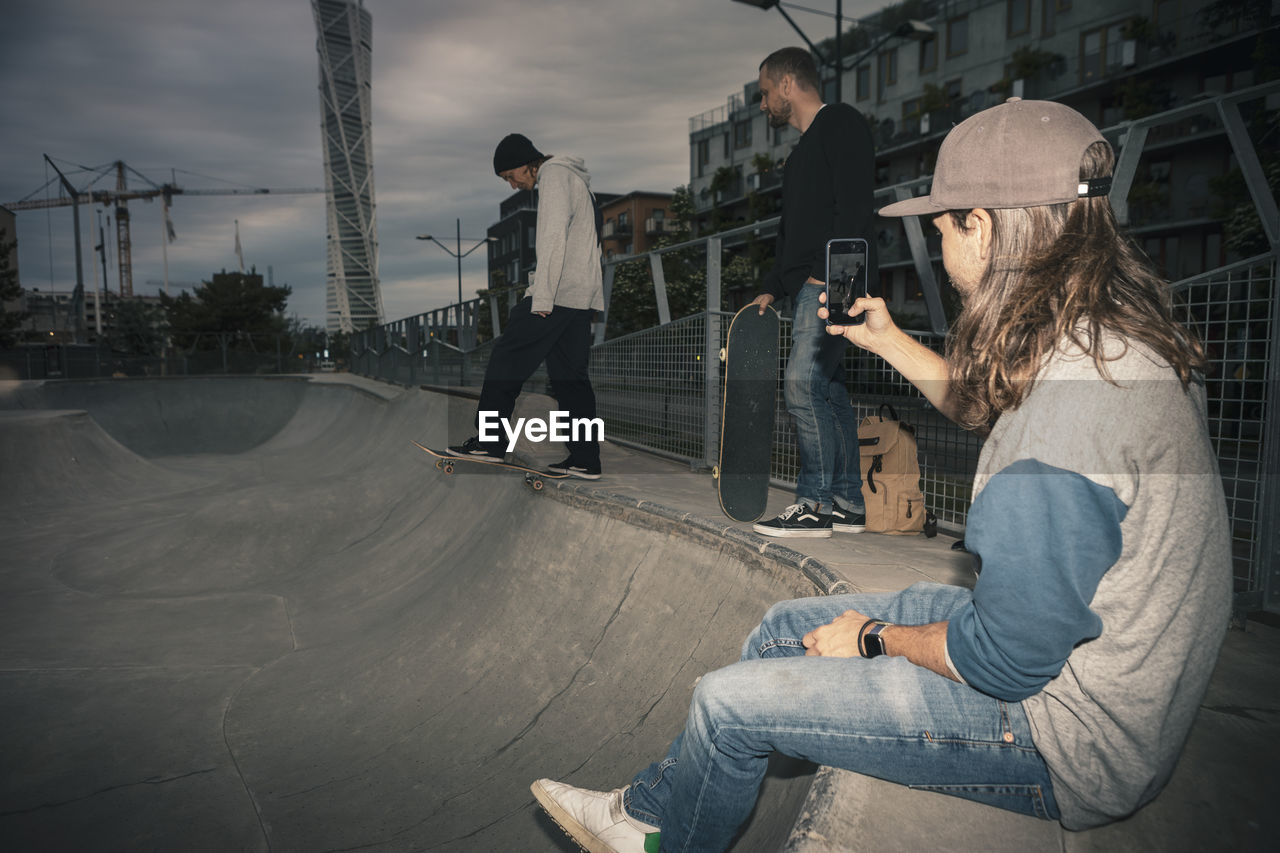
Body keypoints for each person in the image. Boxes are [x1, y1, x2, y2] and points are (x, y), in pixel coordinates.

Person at [530, 99, 1231, 853]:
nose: (930, 234)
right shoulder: (1105, 337)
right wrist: (886, 338)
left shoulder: (1063, 420)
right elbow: (982, 403)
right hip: (1106, 669)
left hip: (1068, 737)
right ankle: (648, 812)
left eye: (942, 219)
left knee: (725, 705)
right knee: (782, 625)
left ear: (985, 225)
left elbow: (1005, 661)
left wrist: (874, 638)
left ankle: (655, 841)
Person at [748, 47, 876, 539]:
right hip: (814, 282)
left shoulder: (839, 122)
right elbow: (793, 233)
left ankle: (814, 505)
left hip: (836, 280)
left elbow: (856, 206)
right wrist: (772, 287)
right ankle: (846, 501)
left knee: (801, 386)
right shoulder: (800, 153)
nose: (763, 105)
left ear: (786, 84)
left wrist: (833, 275)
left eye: (764, 93)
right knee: (828, 389)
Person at [448, 133, 603, 479]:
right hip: (577, 297)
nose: (512, 185)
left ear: (525, 164)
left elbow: (551, 239)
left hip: (556, 295)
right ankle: (585, 459)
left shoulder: (555, 177)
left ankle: (490, 444)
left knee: (506, 361)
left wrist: (542, 296)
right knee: (570, 379)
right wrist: (591, 299)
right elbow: (592, 245)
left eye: (510, 177)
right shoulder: (577, 180)